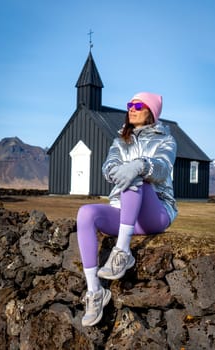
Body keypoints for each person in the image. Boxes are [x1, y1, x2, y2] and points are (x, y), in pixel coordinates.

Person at [77, 91, 178, 327]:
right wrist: (118, 170)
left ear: (151, 112)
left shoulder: (166, 139)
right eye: (130, 104)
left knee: (136, 175)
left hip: (157, 212)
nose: (131, 108)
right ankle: (95, 292)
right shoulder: (120, 140)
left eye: (138, 105)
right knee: (86, 213)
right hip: (125, 213)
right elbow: (109, 166)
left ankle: (122, 253)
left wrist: (138, 165)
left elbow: (162, 168)